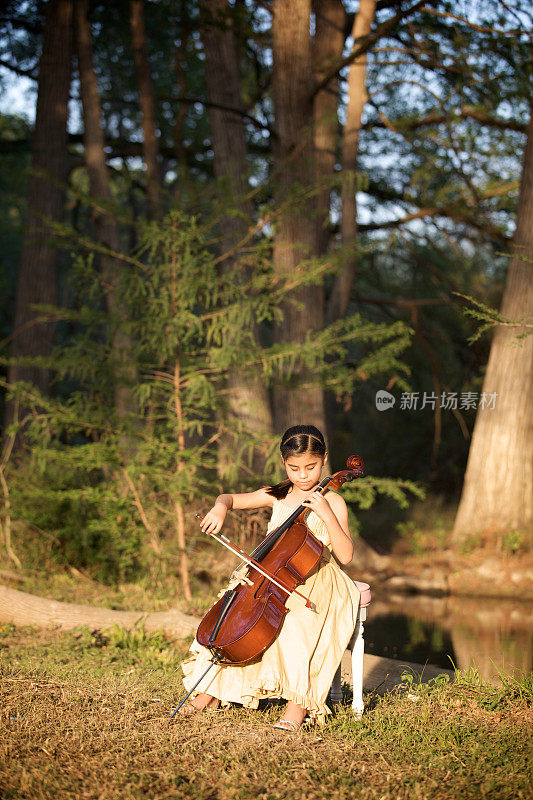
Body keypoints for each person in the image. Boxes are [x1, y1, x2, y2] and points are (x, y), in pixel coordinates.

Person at [179, 424, 360, 731]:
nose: (303, 475)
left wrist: (327, 514)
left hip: (319, 578)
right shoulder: (276, 494)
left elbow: (346, 556)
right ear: (283, 462)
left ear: (325, 460)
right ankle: (210, 693)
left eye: (311, 467)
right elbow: (228, 498)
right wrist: (219, 509)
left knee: (297, 621)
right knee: (236, 616)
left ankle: (297, 707)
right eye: (294, 468)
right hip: (273, 575)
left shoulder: (335, 502)